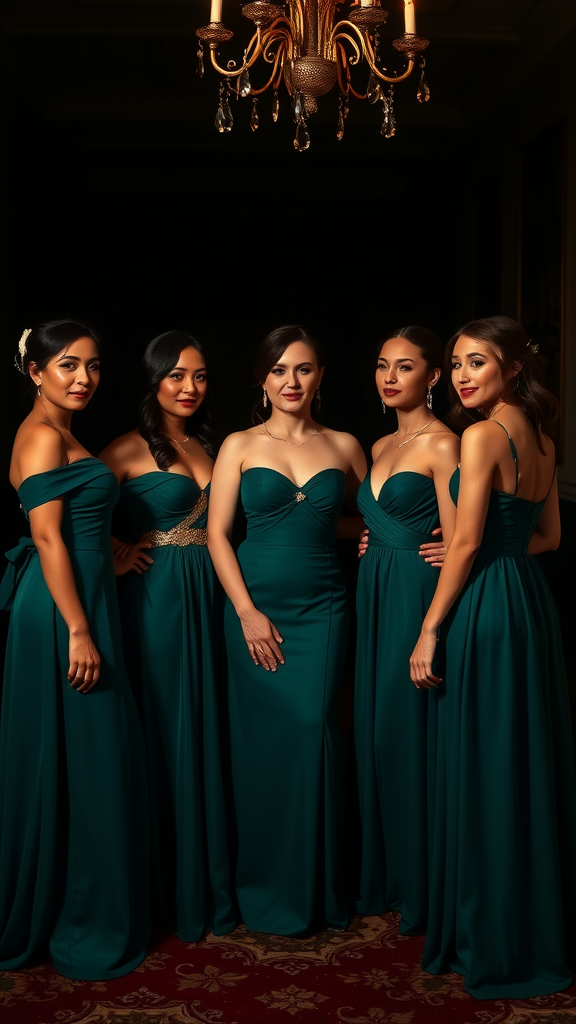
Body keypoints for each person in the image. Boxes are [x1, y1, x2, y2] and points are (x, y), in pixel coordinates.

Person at [410, 315, 576, 998]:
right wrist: (487, 551)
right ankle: (525, 924)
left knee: (485, 761)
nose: (461, 375)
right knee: (518, 760)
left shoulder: (480, 436)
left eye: (477, 362)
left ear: (512, 368)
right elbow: (550, 538)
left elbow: (470, 542)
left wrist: (428, 628)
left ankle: (490, 934)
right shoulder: (542, 437)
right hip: (529, 605)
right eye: (454, 364)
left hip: (484, 607)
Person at [0, 320, 150, 980]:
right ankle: (76, 914)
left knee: (88, 755)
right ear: (35, 372)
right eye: (67, 366)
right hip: (64, 614)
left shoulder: (64, 435)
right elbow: (50, 539)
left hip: (84, 600)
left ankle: (85, 904)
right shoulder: (38, 435)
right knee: (84, 753)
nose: (84, 377)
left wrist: (118, 559)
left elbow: (79, 532)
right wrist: (80, 629)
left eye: (92, 366)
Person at [207, 324, 367, 936]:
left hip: (323, 610)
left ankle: (315, 887)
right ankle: (264, 886)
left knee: (313, 736)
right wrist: (246, 612)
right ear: (262, 377)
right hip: (255, 608)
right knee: (263, 751)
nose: (291, 381)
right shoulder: (239, 445)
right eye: (279, 370)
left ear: (321, 376)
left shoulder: (347, 446)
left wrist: (375, 534)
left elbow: (360, 518)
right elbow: (221, 534)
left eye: (303, 369)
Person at [99, 330, 236, 942]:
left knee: (213, 722)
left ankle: (210, 875)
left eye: (200, 376)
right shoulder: (125, 450)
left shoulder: (216, 442)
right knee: (167, 723)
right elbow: (59, 512)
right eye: (177, 375)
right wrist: (118, 549)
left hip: (218, 594)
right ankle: (164, 884)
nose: (189, 388)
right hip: (158, 600)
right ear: (153, 379)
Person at [353, 326, 460, 935]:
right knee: (377, 731)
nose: (390, 377)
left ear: (433, 376)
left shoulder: (444, 445)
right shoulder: (378, 443)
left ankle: (421, 883)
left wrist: (430, 627)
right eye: (381, 365)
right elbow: (380, 515)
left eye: (405, 366)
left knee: (409, 732)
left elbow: (458, 539)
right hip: (375, 589)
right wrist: (372, 535)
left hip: (415, 599)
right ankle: (388, 874)